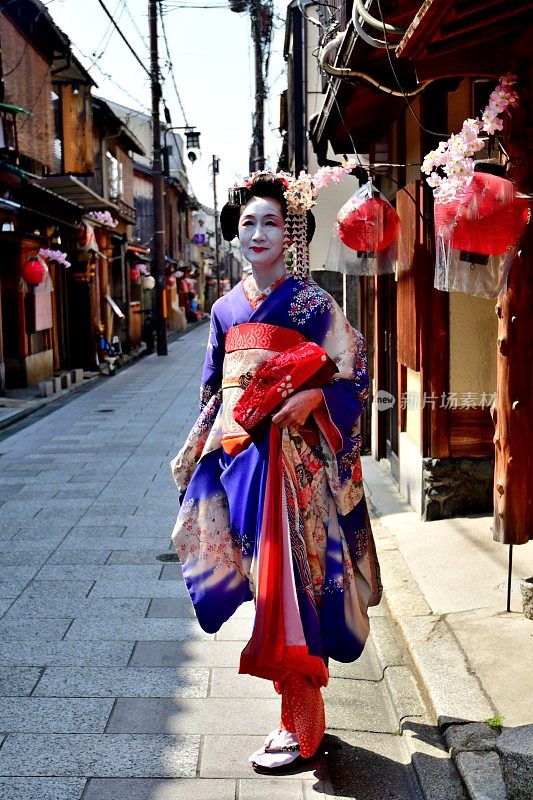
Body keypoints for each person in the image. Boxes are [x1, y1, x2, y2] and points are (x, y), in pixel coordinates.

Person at [171, 171, 381, 773]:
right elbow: (214, 393)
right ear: (234, 235)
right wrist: (209, 458)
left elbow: (353, 370)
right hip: (246, 465)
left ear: (289, 235)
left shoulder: (313, 303)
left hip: (299, 469)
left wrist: (315, 399)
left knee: (295, 588)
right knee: (270, 589)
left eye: (270, 222)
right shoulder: (223, 308)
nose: (257, 233)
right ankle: (295, 718)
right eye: (247, 223)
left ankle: (303, 726)